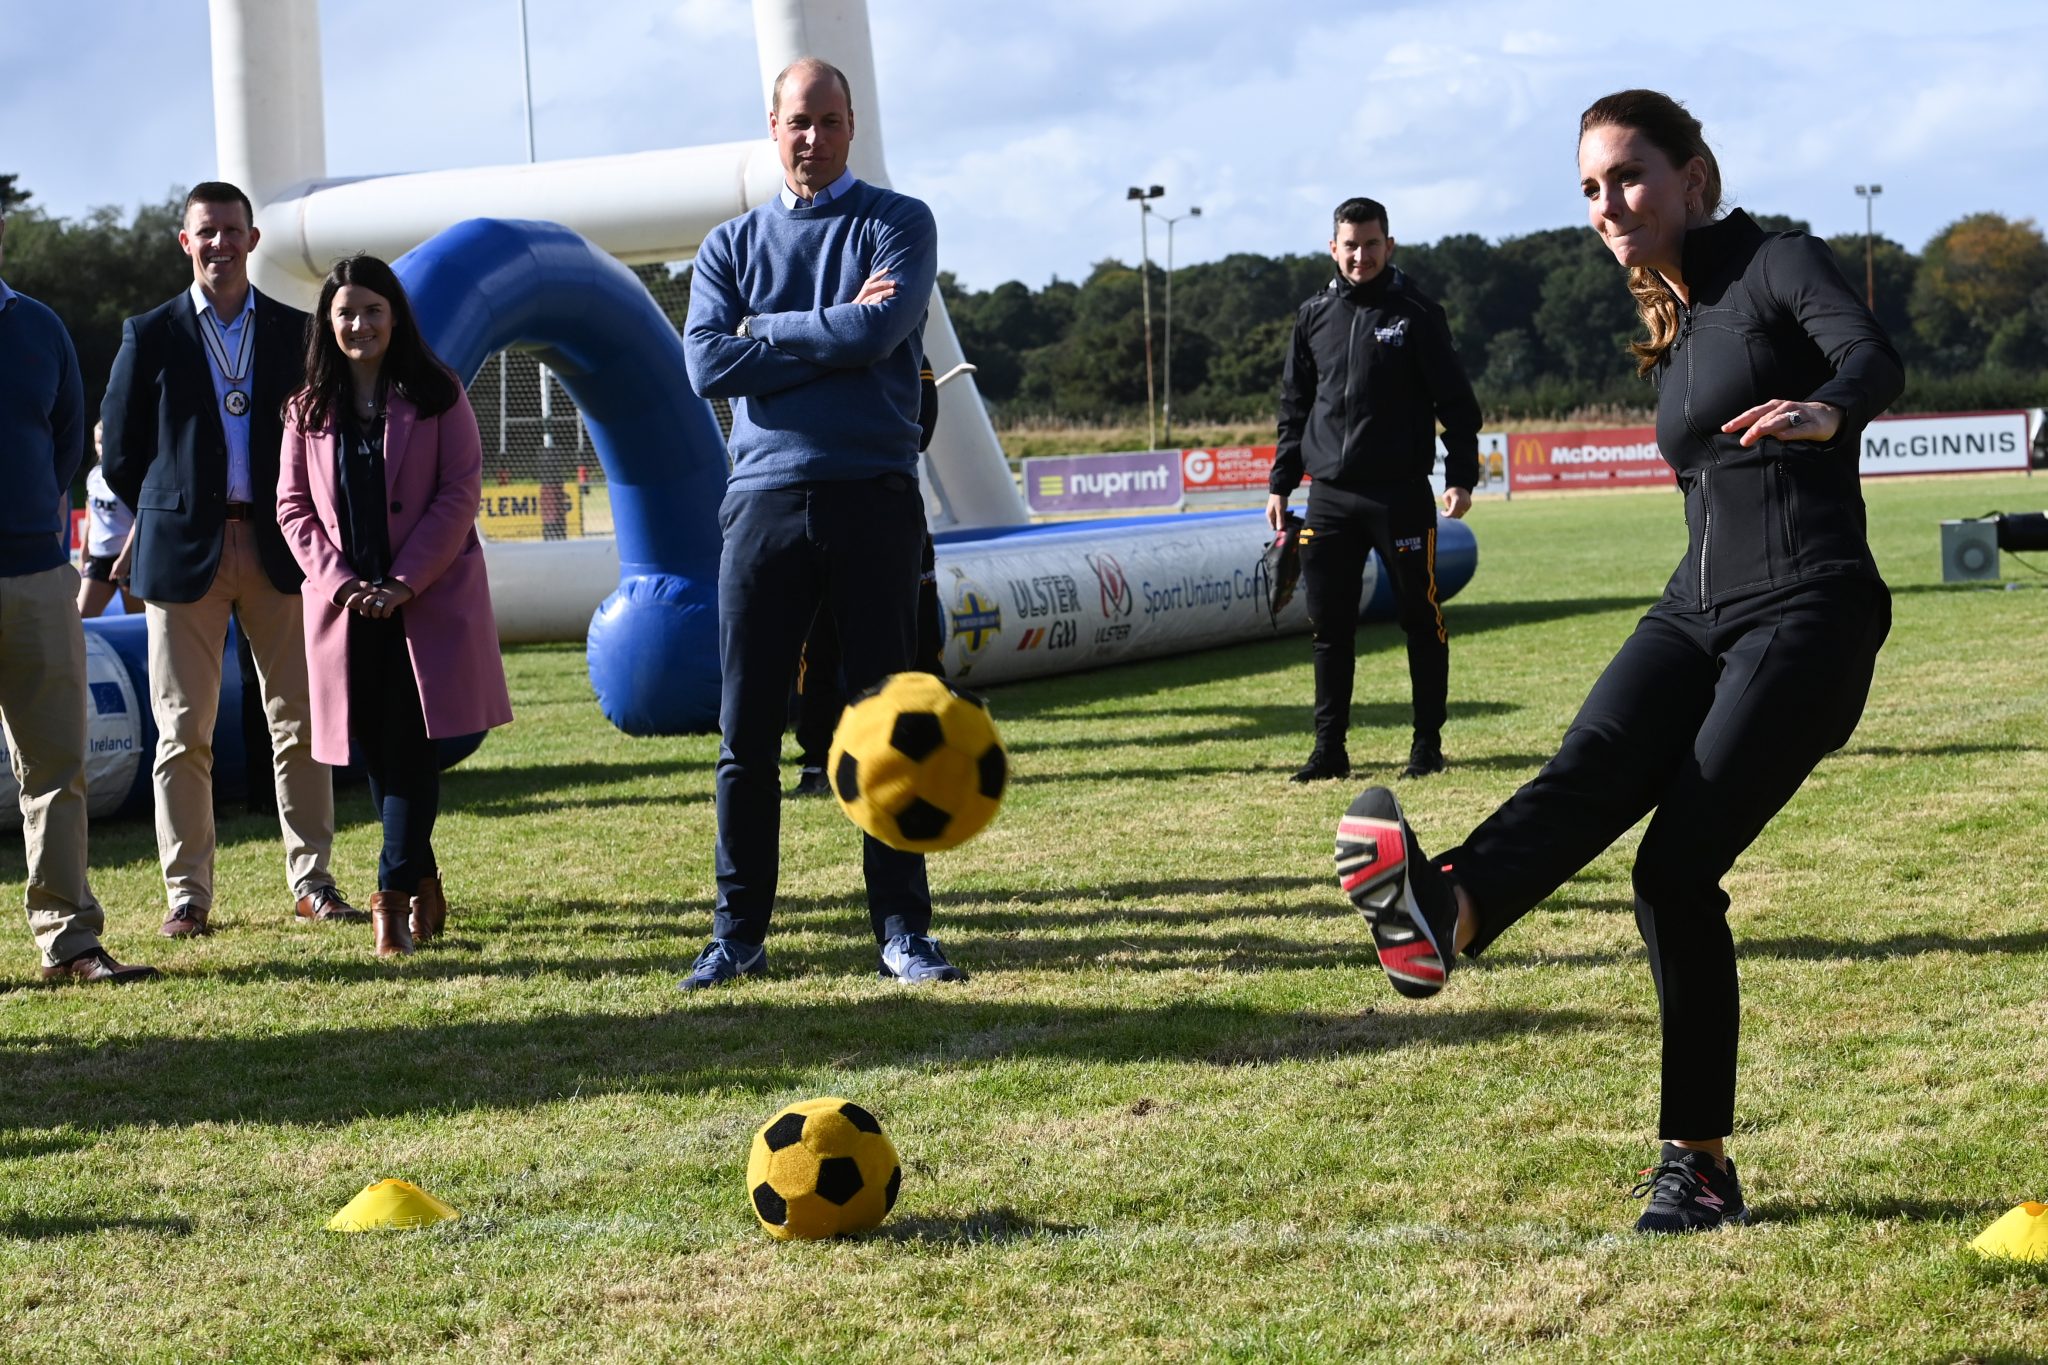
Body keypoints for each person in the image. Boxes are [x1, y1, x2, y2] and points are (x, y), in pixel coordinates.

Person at [1336, 89, 1900, 1234]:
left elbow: (1870, 357)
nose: (1607, 204)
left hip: (1811, 611)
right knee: (1587, 765)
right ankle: (1444, 916)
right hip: (1693, 607)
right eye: (1589, 188)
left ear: (1693, 177)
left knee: (1670, 871)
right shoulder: (1677, 323)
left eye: (1627, 177)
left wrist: (1824, 413)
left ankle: (1698, 1166)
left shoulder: (1775, 262)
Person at [681, 56, 961, 989]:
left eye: (828, 121)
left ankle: (902, 930)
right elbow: (705, 368)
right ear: (774, 127)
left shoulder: (898, 222)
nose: (812, 138)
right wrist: (822, 330)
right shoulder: (727, 246)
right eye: (796, 122)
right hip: (761, 502)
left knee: (887, 722)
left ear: (851, 127)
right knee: (746, 731)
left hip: (873, 497)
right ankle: (739, 932)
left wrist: (766, 330)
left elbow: (877, 335)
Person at [100, 181, 359, 939]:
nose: (219, 244)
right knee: (183, 731)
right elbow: (120, 452)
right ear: (186, 242)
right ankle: (189, 895)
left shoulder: (295, 329)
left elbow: (325, 435)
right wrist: (170, 503)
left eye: (231, 231)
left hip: (282, 547)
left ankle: (312, 879)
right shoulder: (148, 333)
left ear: (253, 240)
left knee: (299, 724)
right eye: (204, 232)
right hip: (185, 555)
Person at [276, 254, 512, 958]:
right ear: (328, 322)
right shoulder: (306, 409)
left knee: (411, 751)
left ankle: (390, 899)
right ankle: (426, 875)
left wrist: (405, 581)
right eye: (346, 312)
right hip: (345, 613)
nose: (360, 324)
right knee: (382, 757)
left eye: (373, 310)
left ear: (396, 315)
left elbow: (458, 493)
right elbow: (293, 509)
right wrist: (343, 583)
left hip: (425, 607)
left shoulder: (439, 393)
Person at [1267, 197, 1481, 784]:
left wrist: (1461, 475)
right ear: (1332, 248)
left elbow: (1457, 403)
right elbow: (1295, 406)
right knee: (1328, 627)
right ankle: (1328, 752)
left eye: (1371, 243)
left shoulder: (1416, 312)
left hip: (1400, 496)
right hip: (1329, 498)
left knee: (1421, 617)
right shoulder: (1312, 316)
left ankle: (1426, 746)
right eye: (1350, 245)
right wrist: (1281, 483)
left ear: (1389, 245)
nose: (1360, 255)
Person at [0, 205, 158, 983]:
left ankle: (69, 944)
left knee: (57, 767)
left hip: (36, 576)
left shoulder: (40, 328)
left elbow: (65, 444)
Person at [76, 423, 140, 618]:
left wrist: (125, 559)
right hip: (99, 559)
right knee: (80, 619)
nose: (101, 448)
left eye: (106, 442)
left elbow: (141, 520)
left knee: (137, 625)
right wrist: (84, 550)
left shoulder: (130, 477)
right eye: (97, 443)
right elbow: (90, 514)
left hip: (128, 561)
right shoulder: (94, 475)